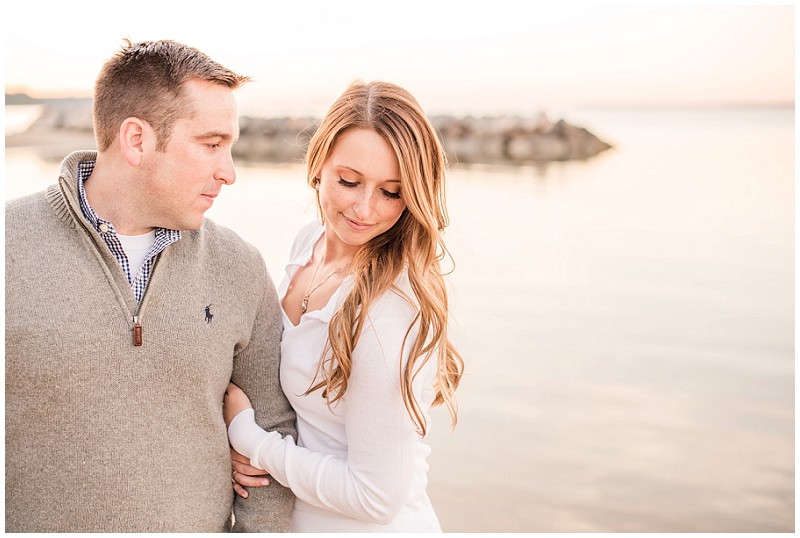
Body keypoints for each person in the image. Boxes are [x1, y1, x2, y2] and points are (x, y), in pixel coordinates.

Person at [5, 39, 296, 532]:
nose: (228, 172)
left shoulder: (239, 266)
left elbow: (275, 431)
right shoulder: (7, 247)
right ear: (136, 140)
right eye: (211, 144)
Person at [222, 80, 464, 532]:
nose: (364, 209)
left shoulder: (388, 309)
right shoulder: (306, 243)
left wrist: (251, 440)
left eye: (392, 192)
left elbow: (375, 499)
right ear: (318, 165)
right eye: (349, 181)